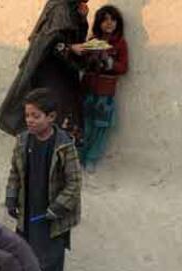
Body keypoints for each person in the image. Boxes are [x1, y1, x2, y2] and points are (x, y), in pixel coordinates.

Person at [5, 88, 82, 271]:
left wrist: (58, 207)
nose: (29, 120)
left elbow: (74, 182)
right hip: (29, 209)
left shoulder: (64, 145)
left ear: (51, 117)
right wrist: (11, 197)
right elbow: (15, 172)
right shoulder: (22, 141)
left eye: (35, 116)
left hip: (53, 215)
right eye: (27, 115)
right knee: (22, 251)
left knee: (52, 257)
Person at [0, 0, 89, 140]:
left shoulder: (72, 7)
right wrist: (70, 48)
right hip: (49, 73)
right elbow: (48, 43)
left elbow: (75, 37)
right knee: (51, 113)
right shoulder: (60, 7)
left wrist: (82, 19)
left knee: (62, 115)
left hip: (64, 72)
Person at [80, 5, 129, 173]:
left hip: (105, 94)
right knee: (85, 125)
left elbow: (123, 68)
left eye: (113, 20)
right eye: (105, 20)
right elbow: (82, 61)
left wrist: (109, 62)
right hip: (87, 92)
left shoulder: (120, 43)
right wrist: (89, 55)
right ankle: (79, 156)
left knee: (100, 128)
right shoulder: (93, 41)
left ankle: (91, 158)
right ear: (98, 23)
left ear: (118, 23)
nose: (109, 23)